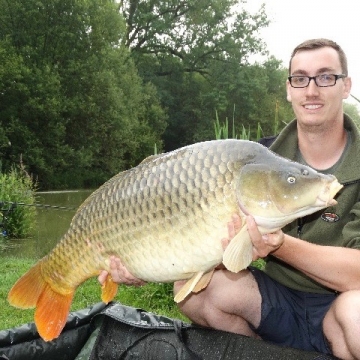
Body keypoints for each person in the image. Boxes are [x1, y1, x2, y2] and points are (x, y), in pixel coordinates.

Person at [98, 38, 360, 360]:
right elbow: (201, 245)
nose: (311, 90)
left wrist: (278, 244)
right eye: (300, 78)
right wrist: (141, 263)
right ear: (289, 89)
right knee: (193, 293)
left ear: (345, 85)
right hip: (275, 300)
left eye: (325, 77)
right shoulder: (259, 160)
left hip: (341, 305)